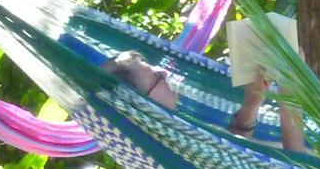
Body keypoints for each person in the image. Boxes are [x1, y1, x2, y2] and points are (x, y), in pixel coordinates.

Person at [100, 51, 306, 153]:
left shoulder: (176, 136)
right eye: (155, 78)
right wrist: (291, 91)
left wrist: (252, 103)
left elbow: (236, 151)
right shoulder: (178, 145)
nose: (163, 71)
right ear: (140, 103)